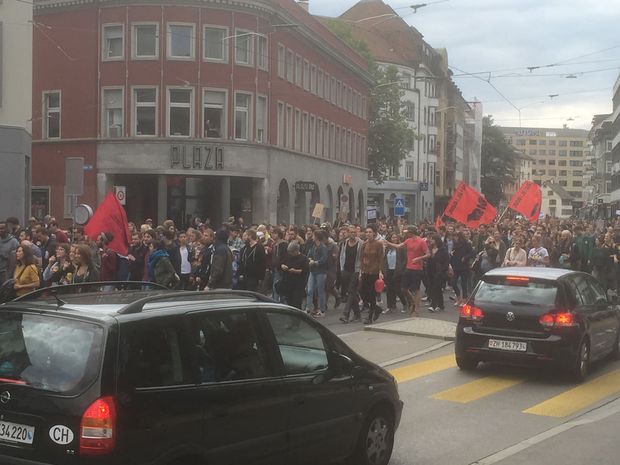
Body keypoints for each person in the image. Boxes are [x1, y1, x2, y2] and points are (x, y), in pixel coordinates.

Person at [384, 225, 429, 316]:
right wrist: (388, 243)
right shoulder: (408, 240)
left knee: (416, 289)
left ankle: (416, 309)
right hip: (408, 268)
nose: (406, 234)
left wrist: (419, 258)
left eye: (407, 232)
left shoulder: (421, 242)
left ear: (411, 232)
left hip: (417, 268)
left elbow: (428, 254)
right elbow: (398, 246)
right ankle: (412, 302)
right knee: (403, 288)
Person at [359, 225, 385, 324]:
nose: (368, 234)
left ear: (374, 233)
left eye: (370, 232)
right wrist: (361, 271)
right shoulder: (364, 244)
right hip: (365, 271)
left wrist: (380, 271)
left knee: (372, 294)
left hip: (374, 272)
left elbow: (381, 259)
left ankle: (370, 317)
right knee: (361, 291)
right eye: (367, 232)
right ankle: (377, 308)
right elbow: (361, 258)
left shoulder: (378, 244)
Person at [339, 226, 363, 323]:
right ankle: (357, 314)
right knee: (351, 293)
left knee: (351, 291)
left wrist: (361, 271)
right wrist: (341, 268)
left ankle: (346, 314)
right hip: (346, 270)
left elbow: (362, 258)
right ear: (348, 233)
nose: (353, 234)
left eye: (354, 232)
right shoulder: (344, 243)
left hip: (356, 271)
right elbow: (342, 256)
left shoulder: (361, 243)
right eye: (351, 232)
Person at [279, 240, 309, 310]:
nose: (290, 254)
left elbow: (306, 271)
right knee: (289, 302)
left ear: (296, 251)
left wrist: (295, 271)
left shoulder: (303, 258)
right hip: (288, 283)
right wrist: (282, 266)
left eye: (291, 252)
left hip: (298, 284)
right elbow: (281, 263)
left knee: (297, 303)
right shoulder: (288, 257)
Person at [383, 232, 408, 314]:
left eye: (395, 237)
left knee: (398, 289)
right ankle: (390, 306)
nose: (394, 239)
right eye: (392, 237)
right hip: (389, 271)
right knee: (389, 289)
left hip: (398, 271)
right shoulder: (388, 248)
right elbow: (385, 260)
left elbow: (405, 260)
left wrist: (402, 270)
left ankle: (405, 304)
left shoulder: (401, 247)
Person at [306, 229, 329, 317]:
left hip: (321, 272)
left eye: (313, 235)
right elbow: (309, 255)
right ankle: (308, 308)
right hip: (313, 271)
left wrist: (315, 262)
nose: (312, 237)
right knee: (309, 290)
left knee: (320, 291)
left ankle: (322, 310)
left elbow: (324, 260)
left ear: (317, 237)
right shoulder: (313, 246)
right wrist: (310, 259)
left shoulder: (323, 247)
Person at [450, 232, 475, 307]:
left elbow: (472, 253)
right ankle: (458, 298)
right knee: (453, 283)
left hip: (464, 267)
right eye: (454, 236)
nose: (455, 238)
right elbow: (453, 253)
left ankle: (464, 300)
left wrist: (465, 257)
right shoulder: (455, 245)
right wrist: (451, 255)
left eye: (456, 236)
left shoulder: (466, 244)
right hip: (456, 266)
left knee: (463, 284)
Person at [427, 234, 449, 312]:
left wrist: (443, 270)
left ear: (436, 240)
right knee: (437, 289)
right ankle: (441, 305)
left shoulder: (442, 249)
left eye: (432, 239)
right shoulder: (430, 249)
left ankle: (433, 305)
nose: (431, 240)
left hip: (439, 272)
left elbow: (446, 261)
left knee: (435, 288)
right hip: (431, 271)